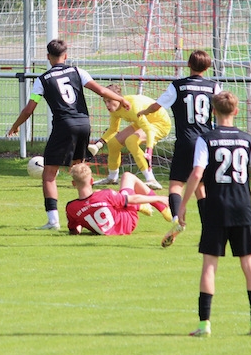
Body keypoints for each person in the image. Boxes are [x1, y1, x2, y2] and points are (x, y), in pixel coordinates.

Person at [178, 91, 251, 338]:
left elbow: (197, 173)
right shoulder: (247, 139)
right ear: (236, 111)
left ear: (213, 112)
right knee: (249, 264)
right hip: (242, 208)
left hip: (216, 208)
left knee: (210, 265)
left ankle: (204, 325)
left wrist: (183, 204)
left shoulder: (206, 139)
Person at [6, 38, 129, 230]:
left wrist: (15, 125)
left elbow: (29, 109)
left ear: (48, 57)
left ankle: (53, 221)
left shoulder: (42, 80)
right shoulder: (78, 72)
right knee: (80, 171)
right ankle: (88, 214)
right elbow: (102, 90)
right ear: (66, 55)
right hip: (83, 124)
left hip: (64, 126)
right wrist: (121, 99)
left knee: (49, 174)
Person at [139, 49, 221, 247]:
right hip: (205, 142)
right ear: (208, 67)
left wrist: (144, 111)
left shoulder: (178, 86)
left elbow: (158, 106)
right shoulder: (214, 87)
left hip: (185, 141)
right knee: (201, 187)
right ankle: (208, 229)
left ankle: (176, 220)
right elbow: (220, 110)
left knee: (176, 185)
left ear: (188, 65)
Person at [90, 83, 170, 190]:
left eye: (109, 101)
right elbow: (113, 130)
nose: (107, 105)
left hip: (160, 124)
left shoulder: (132, 107)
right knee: (113, 143)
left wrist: (149, 150)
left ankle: (151, 179)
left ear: (118, 98)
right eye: (105, 102)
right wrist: (98, 145)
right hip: (143, 123)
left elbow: (149, 130)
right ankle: (112, 177)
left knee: (131, 141)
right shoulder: (115, 110)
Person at [65, 163, 172, 235]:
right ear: (92, 181)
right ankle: (159, 206)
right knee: (127, 176)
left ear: (74, 184)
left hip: (111, 229)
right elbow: (133, 198)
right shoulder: (105, 194)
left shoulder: (71, 207)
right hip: (128, 223)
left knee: (104, 197)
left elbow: (75, 230)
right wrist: (159, 198)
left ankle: (140, 206)